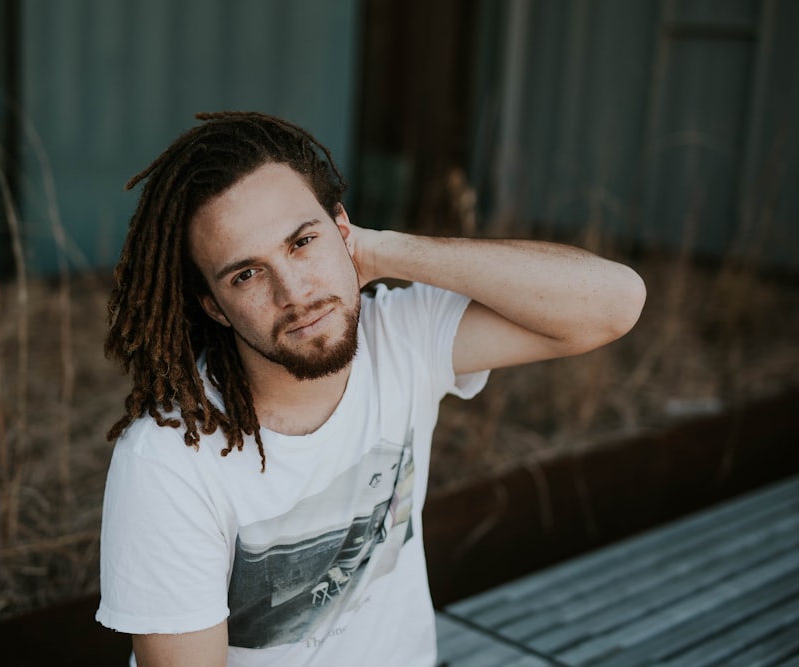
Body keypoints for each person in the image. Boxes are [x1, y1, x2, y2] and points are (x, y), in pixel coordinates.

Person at [96, 111, 646, 666]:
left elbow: (614, 303)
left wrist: (383, 251)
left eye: (303, 242)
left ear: (342, 230)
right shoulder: (167, 461)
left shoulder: (400, 336)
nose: (295, 292)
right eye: (247, 274)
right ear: (213, 306)